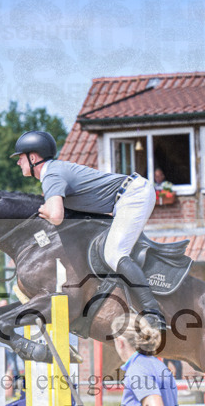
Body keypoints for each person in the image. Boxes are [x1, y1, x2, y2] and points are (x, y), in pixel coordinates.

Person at [11, 130, 165, 331]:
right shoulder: (54, 172)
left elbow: (56, 216)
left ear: (33, 158)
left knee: (114, 254)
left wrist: (46, 210)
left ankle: (153, 313)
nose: (17, 163)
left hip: (133, 196)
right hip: (125, 198)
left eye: (20, 158)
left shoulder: (51, 175)